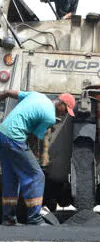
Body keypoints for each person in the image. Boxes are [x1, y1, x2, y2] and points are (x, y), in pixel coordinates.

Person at [0, 91, 76, 225]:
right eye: (65, 111)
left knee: (12, 177)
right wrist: (34, 158)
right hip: (15, 138)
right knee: (36, 175)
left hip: (3, 134)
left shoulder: (37, 96)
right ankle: (35, 219)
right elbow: (34, 138)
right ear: (61, 104)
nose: (64, 115)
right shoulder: (49, 117)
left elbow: (8, 92)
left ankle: (8, 218)